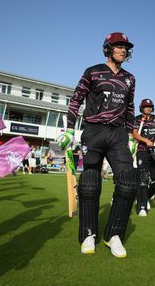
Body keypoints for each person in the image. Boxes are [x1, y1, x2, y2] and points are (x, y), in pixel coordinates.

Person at [59, 32, 137, 258]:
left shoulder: (130, 78)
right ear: (108, 49)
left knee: (128, 182)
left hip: (118, 134)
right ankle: (88, 234)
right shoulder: (92, 71)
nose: (123, 50)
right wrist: (70, 130)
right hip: (93, 131)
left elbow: (130, 107)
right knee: (90, 183)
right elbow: (76, 99)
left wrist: (131, 136)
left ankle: (113, 235)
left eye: (125, 47)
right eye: (118, 46)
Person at [133, 98, 155, 217]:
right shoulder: (137, 119)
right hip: (142, 151)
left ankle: (144, 197)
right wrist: (146, 141)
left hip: (154, 150)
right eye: (146, 106)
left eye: (150, 106)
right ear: (142, 108)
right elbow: (135, 134)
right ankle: (142, 206)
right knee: (143, 179)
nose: (148, 108)